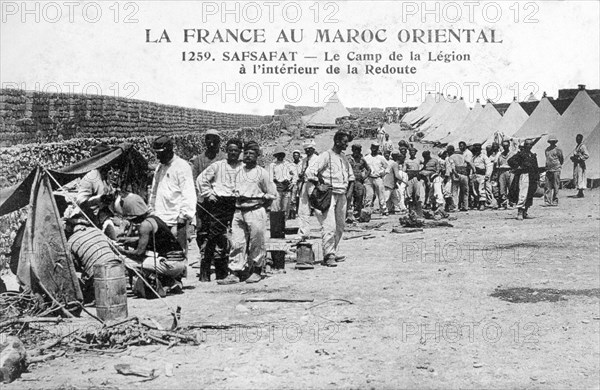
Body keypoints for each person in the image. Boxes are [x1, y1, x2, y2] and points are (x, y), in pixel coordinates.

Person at [220, 141, 277, 284]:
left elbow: (272, 194)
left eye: (252, 153)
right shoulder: (239, 171)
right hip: (239, 211)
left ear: (257, 156)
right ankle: (235, 272)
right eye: (246, 153)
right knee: (237, 242)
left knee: (256, 242)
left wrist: (258, 200)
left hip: (255, 210)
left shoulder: (262, 173)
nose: (248, 156)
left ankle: (257, 270)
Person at [117, 193, 186, 293]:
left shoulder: (145, 225)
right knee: (147, 261)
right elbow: (145, 239)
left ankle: (168, 282)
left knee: (127, 261)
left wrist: (121, 251)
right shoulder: (154, 219)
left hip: (170, 265)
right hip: (179, 263)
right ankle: (171, 282)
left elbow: (138, 252)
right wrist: (127, 240)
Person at [195, 139, 243, 282]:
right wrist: (209, 194)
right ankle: (205, 272)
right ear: (226, 151)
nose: (233, 153)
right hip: (220, 203)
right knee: (214, 236)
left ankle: (228, 271)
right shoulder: (218, 165)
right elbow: (201, 180)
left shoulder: (244, 167)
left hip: (237, 203)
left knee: (236, 235)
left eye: (236, 150)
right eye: (230, 150)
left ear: (240, 152)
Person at [306, 130, 355, 267]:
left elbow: (351, 178)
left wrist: (349, 194)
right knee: (330, 226)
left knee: (340, 226)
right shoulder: (325, 156)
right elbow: (310, 172)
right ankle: (329, 255)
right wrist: (319, 185)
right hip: (329, 195)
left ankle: (332, 250)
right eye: (345, 142)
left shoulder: (344, 158)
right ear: (337, 141)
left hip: (342, 195)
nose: (346, 145)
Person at [149, 135, 197, 255]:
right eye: (156, 153)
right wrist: (151, 210)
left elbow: (189, 194)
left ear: (169, 150)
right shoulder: (160, 167)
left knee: (177, 256)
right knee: (161, 255)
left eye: (160, 153)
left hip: (176, 221)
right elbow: (154, 192)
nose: (157, 157)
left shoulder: (182, 166)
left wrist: (182, 219)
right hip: (160, 219)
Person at [190, 129, 226, 266]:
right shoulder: (198, 160)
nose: (211, 143)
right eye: (208, 140)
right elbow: (194, 180)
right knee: (202, 229)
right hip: (203, 202)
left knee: (219, 229)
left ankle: (219, 255)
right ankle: (205, 254)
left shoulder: (224, 158)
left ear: (219, 142)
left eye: (214, 140)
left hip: (220, 201)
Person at [65, 217, 121, 303]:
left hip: (98, 270)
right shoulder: (96, 231)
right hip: (116, 264)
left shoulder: (71, 241)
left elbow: (74, 265)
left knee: (85, 280)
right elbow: (114, 247)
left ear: (71, 228)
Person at [76, 143, 118, 239]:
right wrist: (99, 199)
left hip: (105, 215)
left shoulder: (106, 175)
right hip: (92, 219)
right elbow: (80, 201)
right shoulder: (91, 177)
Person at [508, 140, 539, 220]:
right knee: (523, 193)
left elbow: (536, 167)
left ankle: (525, 212)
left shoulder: (532, 155)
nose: (529, 146)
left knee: (529, 194)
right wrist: (517, 167)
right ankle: (520, 212)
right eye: (528, 144)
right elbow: (510, 161)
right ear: (525, 145)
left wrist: (537, 177)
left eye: (531, 145)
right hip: (524, 175)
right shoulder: (521, 154)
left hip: (531, 176)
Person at [297, 140, 318, 240]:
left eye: (309, 149)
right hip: (305, 183)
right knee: (303, 209)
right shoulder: (304, 160)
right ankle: (304, 232)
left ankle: (327, 230)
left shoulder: (318, 159)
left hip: (315, 184)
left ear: (313, 149)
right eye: (306, 149)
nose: (307, 151)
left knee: (319, 208)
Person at [269, 146, 296, 215]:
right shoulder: (273, 165)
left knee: (286, 207)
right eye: (278, 154)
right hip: (277, 187)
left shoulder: (288, 164)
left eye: (282, 154)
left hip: (286, 187)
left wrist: (293, 183)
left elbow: (295, 174)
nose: (280, 156)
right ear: (276, 155)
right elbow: (270, 178)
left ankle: (283, 223)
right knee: (276, 206)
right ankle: (276, 223)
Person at [346, 144, 371, 221]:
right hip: (349, 181)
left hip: (358, 181)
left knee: (359, 196)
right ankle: (346, 214)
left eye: (358, 150)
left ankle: (357, 214)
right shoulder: (348, 158)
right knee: (348, 197)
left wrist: (364, 177)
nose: (357, 151)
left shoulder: (362, 160)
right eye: (355, 149)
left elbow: (369, 169)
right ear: (353, 150)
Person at [364, 142, 389, 215]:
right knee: (369, 195)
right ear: (371, 148)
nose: (374, 149)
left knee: (381, 195)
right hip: (369, 178)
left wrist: (383, 173)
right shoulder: (366, 158)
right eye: (373, 147)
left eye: (376, 148)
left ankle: (384, 210)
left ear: (378, 149)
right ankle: (367, 211)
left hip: (378, 178)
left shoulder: (381, 158)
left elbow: (387, 167)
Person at [468, 144, 493, 210]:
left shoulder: (484, 157)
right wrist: (471, 175)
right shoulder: (473, 157)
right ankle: (477, 203)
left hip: (482, 175)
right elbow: (472, 167)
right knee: (475, 190)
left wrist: (487, 175)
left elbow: (489, 166)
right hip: (475, 175)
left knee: (481, 189)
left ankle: (482, 204)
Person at [446, 145, 469, 211]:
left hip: (456, 174)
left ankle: (455, 207)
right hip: (464, 174)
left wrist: (454, 174)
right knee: (465, 191)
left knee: (455, 191)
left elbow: (451, 167)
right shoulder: (463, 156)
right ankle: (465, 206)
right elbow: (469, 163)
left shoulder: (451, 157)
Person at [544, 135, 564, 206]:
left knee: (556, 185)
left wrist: (557, 166)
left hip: (556, 169)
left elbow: (561, 159)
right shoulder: (547, 150)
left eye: (553, 141)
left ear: (555, 142)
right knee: (547, 186)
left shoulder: (558, 150)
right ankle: (547, 201)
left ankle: (555, 200)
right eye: (551, 141)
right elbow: (547, 159)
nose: (552, 143)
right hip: (549, 169)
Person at [404, 147, 424, 214]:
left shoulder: (418, 160)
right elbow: (404, 170)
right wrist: (410, 172)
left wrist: (420, 171)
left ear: (415, 153)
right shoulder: (406, 161)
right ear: (409, 153)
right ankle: (410, 208)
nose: (412, 153)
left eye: (413, 152)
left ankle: (417, 207)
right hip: (410, 178)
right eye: (411, 152)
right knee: (409, 193)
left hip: (416, 178)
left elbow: (424, 165)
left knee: (417, 193)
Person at [496, 141, 514, 209]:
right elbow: (497, 165)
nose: (505, 147)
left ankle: (511, 203)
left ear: (509, 145)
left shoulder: (512, 154)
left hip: (510, 171)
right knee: (502, 188)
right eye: (504, 146)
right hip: (502, 171)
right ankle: (504, 203)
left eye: (506, 145)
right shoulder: (500, 155)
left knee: (511, 187)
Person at [571, 133, 589, 198]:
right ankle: (579, 192)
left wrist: (579, 158)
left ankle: (581, 192)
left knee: (580, 177)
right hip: (577, 164)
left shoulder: (582, 146)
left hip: (580, 164)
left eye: (579, 139)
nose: (577, 140)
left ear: (581, 139)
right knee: (577, 176)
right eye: (576, 139)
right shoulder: (577, 146)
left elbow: (586, 155)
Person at [289, 150, 303, 219]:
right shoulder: (291, 165)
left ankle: (301, 212)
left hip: (301, 182)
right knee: (293, 198)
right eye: (294, 155)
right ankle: (293, 213)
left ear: (299, 156)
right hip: (294, 183)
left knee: (301, 198)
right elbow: (289, 174)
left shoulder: (302, 163)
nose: (296, 157)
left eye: (297, 155)